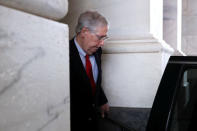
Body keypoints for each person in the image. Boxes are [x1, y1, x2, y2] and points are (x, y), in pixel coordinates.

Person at [69, 11, 109, 131]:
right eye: (99, 37)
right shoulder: (64, 53)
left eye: (104, 38)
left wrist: (102, 100)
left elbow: (92, 80)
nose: (101, 43)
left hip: (93, 122)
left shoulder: (97, 51)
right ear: (84, 32)